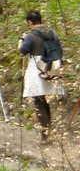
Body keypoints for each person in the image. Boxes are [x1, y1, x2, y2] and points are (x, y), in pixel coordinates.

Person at [18, 10, 64, 141]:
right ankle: (48, 129)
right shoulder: (51, 32)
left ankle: (45, 133)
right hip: (51, 67)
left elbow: (22, 51)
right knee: (44, 99)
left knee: (38, 100)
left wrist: (22, 39)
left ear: (29, 22)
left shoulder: (30, 36)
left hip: (37, 67)